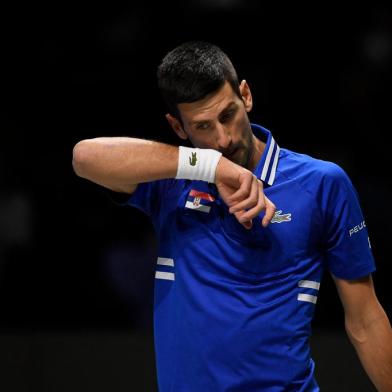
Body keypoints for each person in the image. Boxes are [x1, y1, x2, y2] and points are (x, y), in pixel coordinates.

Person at [72, 41, 392, 391]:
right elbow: (84, 158)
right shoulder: (170, 181)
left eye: (227, 115)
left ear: (246, 96)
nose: (223, 139)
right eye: (203, 126)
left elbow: (365, 321)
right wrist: (209, 166)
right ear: (179, 128)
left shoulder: (321, 184)